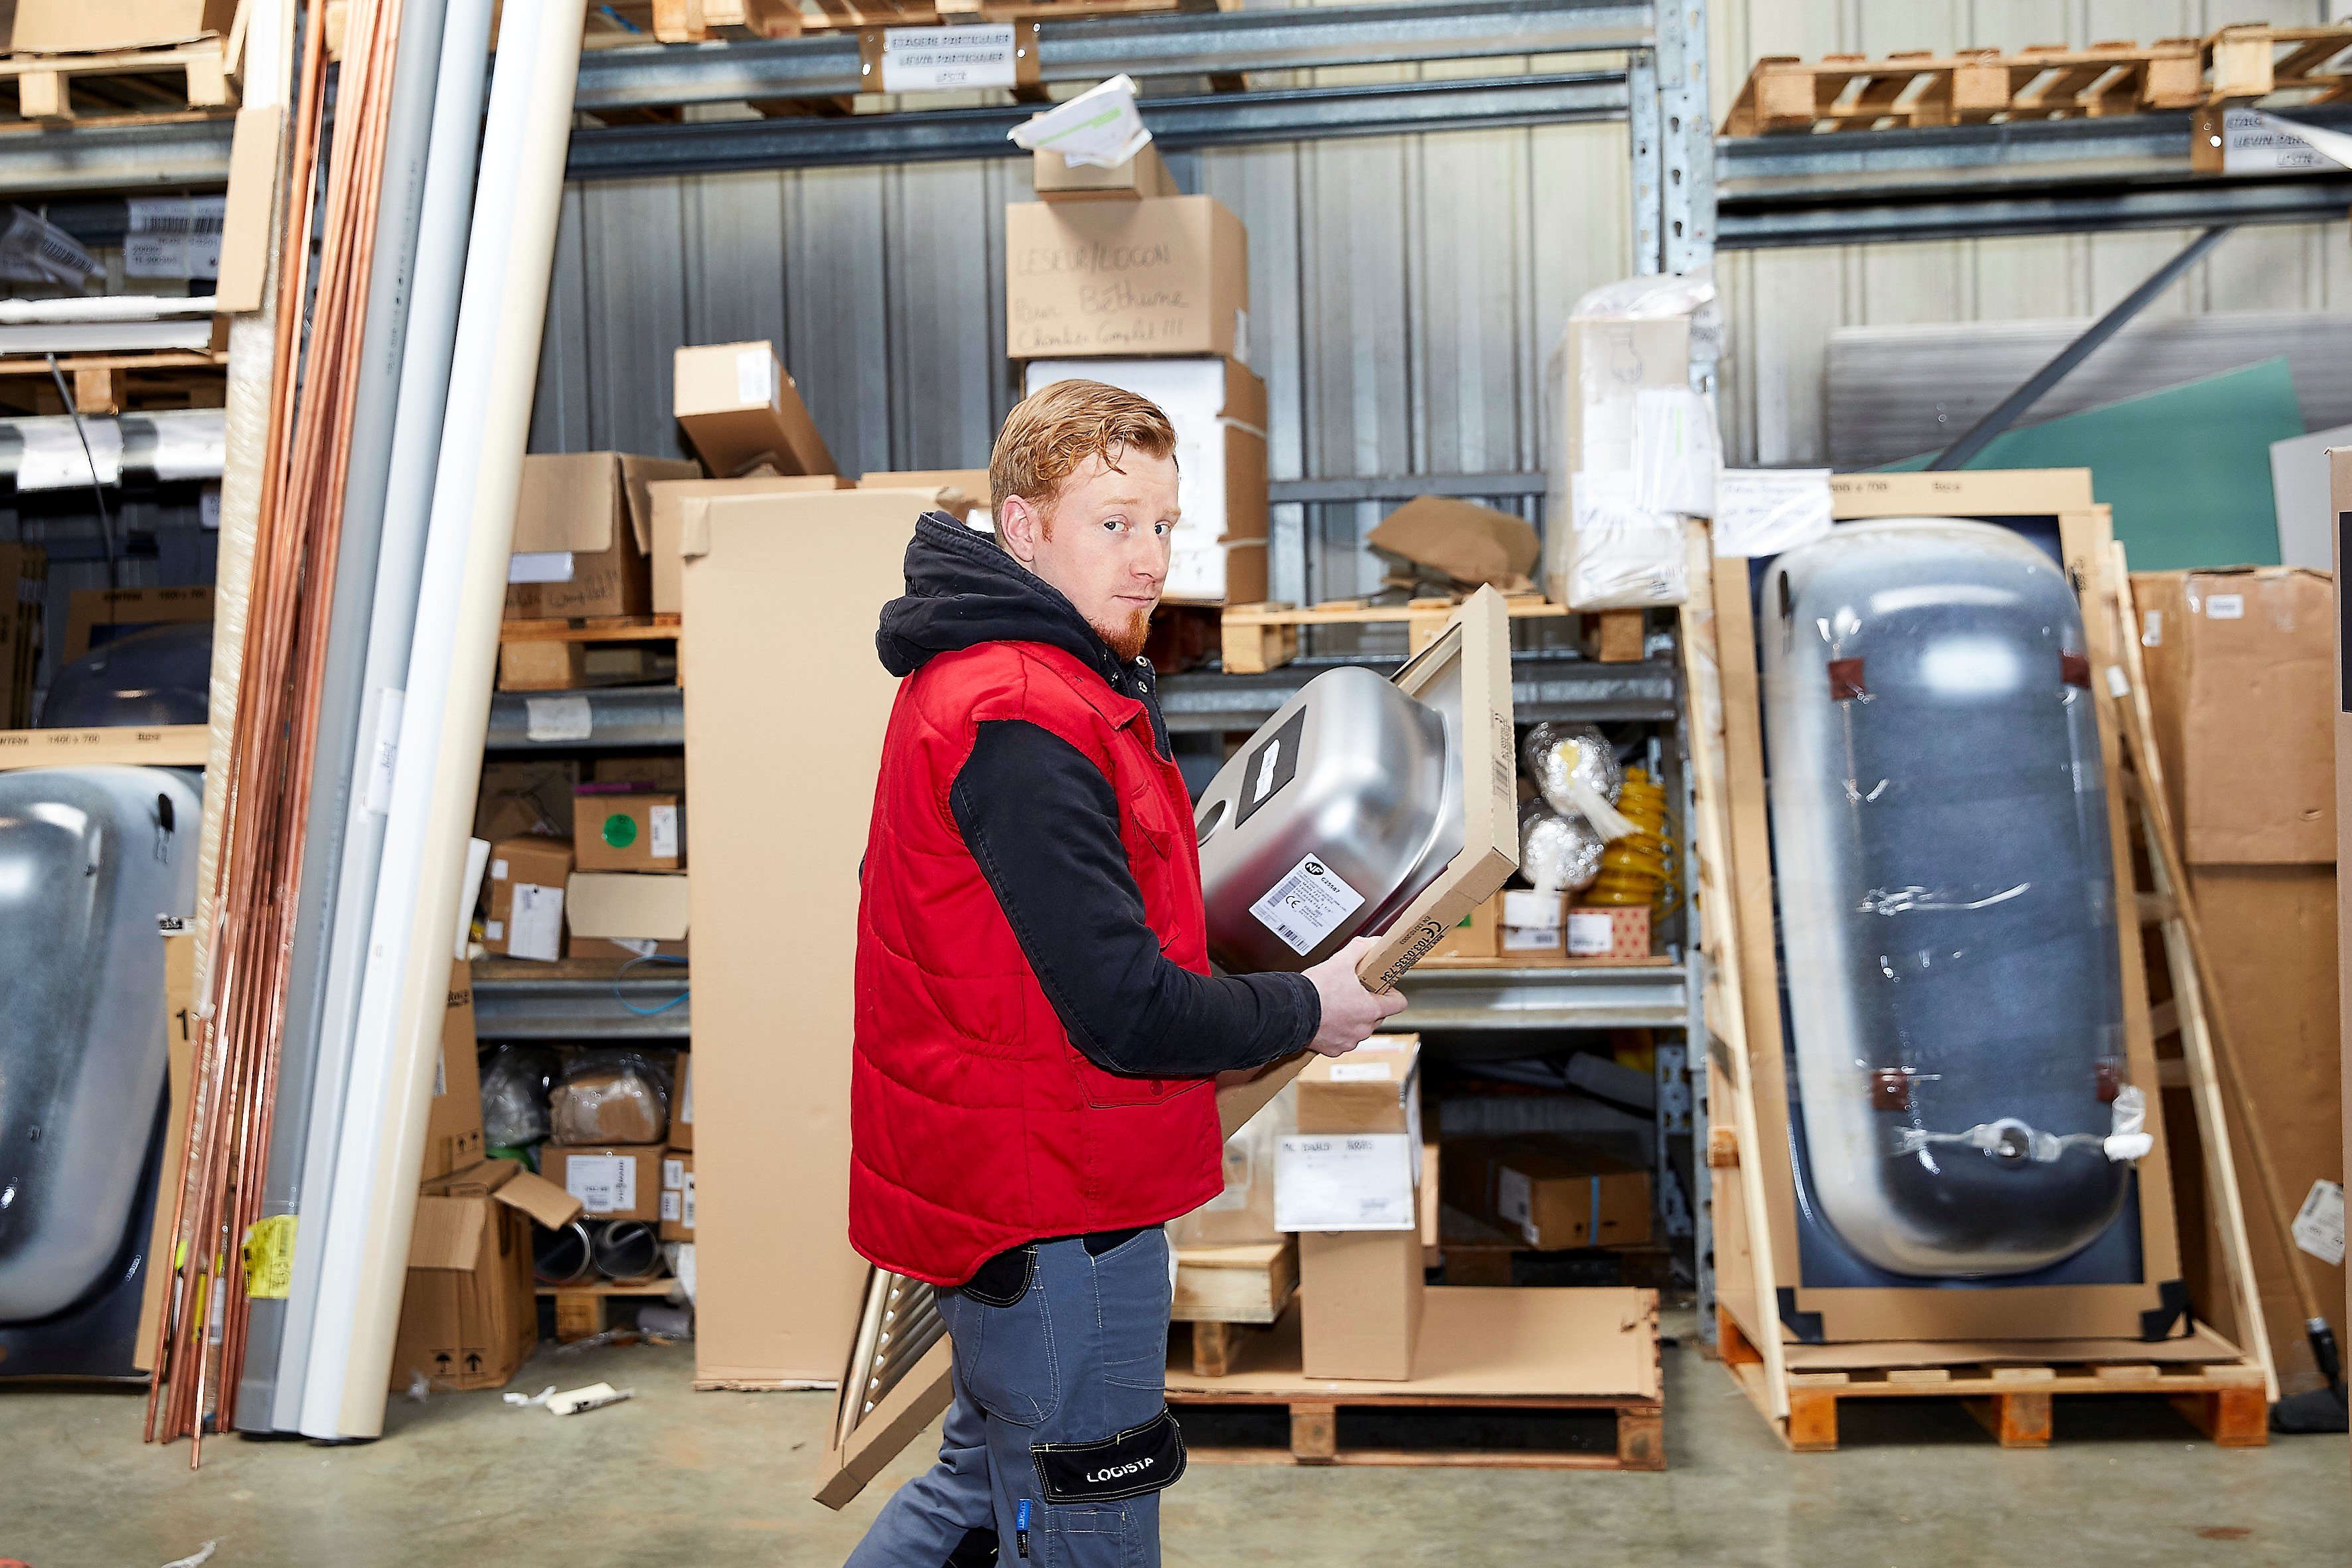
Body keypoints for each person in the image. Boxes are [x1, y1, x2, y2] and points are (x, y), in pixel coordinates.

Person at [844, 380, 1405, 1567]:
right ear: (1022, 527)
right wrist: (1316, 1005)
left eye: (1163, 523)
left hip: (1014, 1179)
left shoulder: (1019, 680)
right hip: (1056, 1204)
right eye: (1114, 523)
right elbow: (1124, 1009)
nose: (1150, 558)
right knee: (1082, 1516)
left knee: (979, 1491)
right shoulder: (1021, 714)